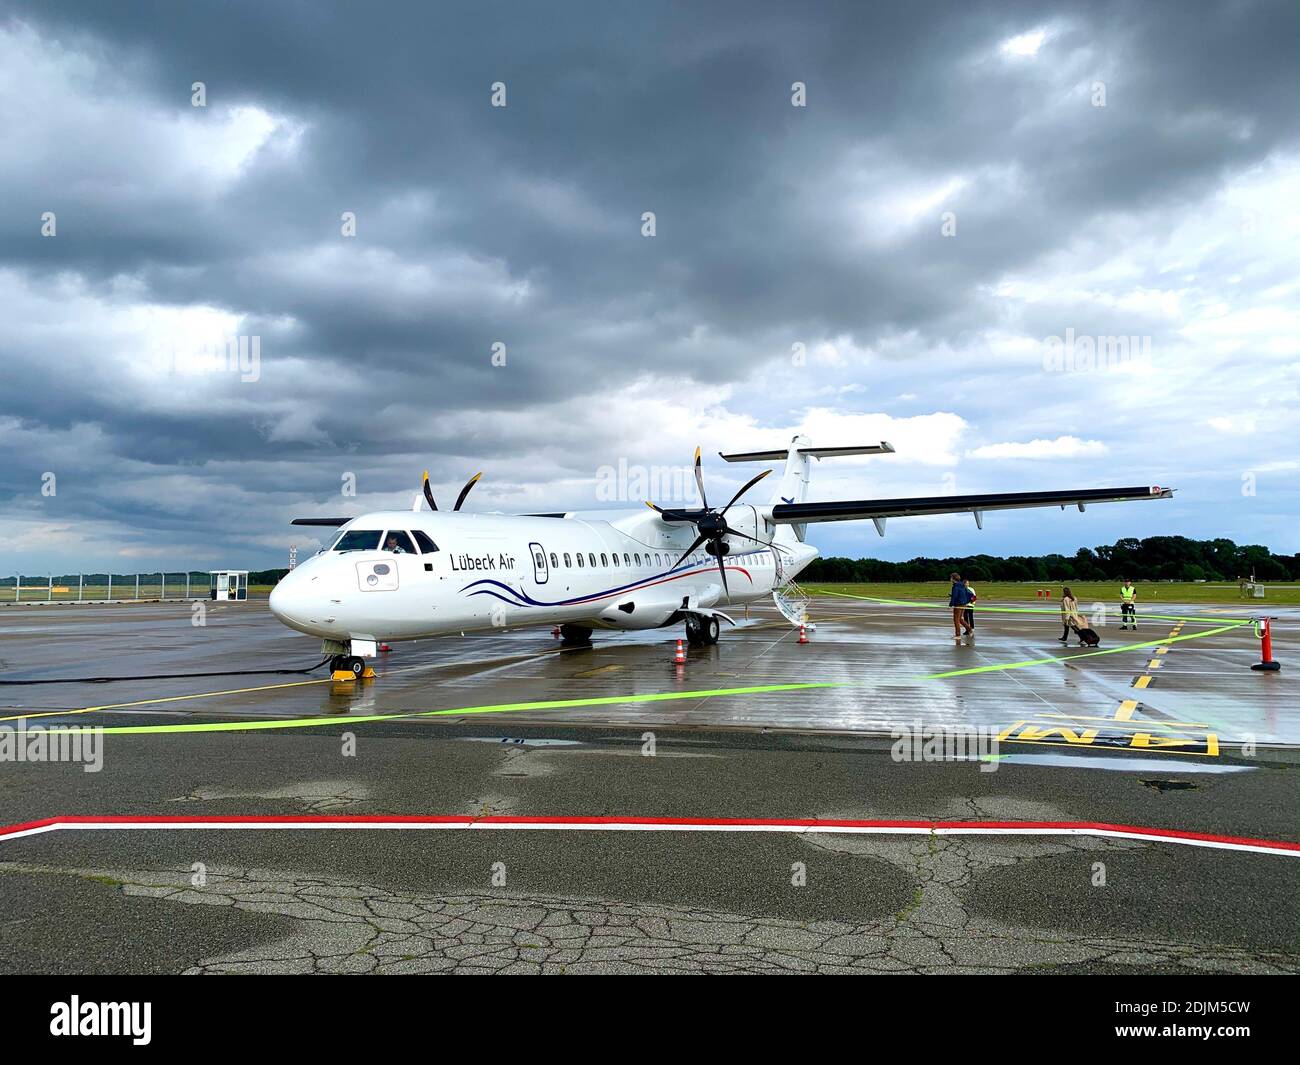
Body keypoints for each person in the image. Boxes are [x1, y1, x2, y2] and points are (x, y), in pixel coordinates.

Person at [948, 572, 973, 639]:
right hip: (963, 604)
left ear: (953, 579)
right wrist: (966, 601)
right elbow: (968, 593)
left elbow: (955, 596)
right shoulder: (962, 585)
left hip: (958, 605)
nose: (950, 579)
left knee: (956, 619)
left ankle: (958, 635)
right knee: (960, 619)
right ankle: (970, 629)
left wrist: (950, 605)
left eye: (951, 578)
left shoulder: (955, 586)